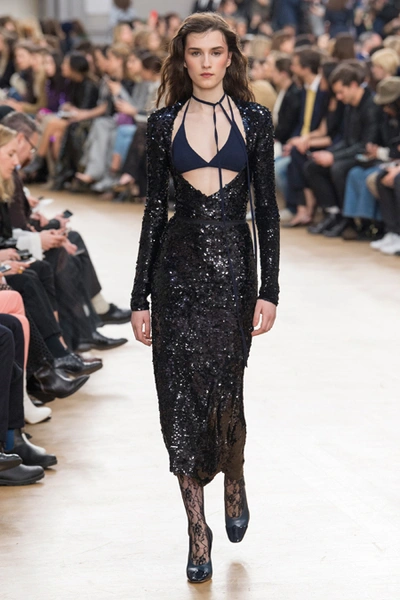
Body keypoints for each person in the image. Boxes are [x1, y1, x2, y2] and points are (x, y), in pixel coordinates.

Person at [130, 12, 280, 584]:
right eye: (196, 52)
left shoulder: (256, 119)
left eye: (216, 52)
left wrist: (270, 289)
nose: (207, 62)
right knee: (176, 395)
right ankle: (197, 528)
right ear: (183, 59)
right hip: (177, 270)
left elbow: (267, 210)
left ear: (230, 57)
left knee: (225, 389)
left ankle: (234, 474)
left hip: (235, 273)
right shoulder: (162, 123)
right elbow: (153, 212)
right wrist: (139, 297)